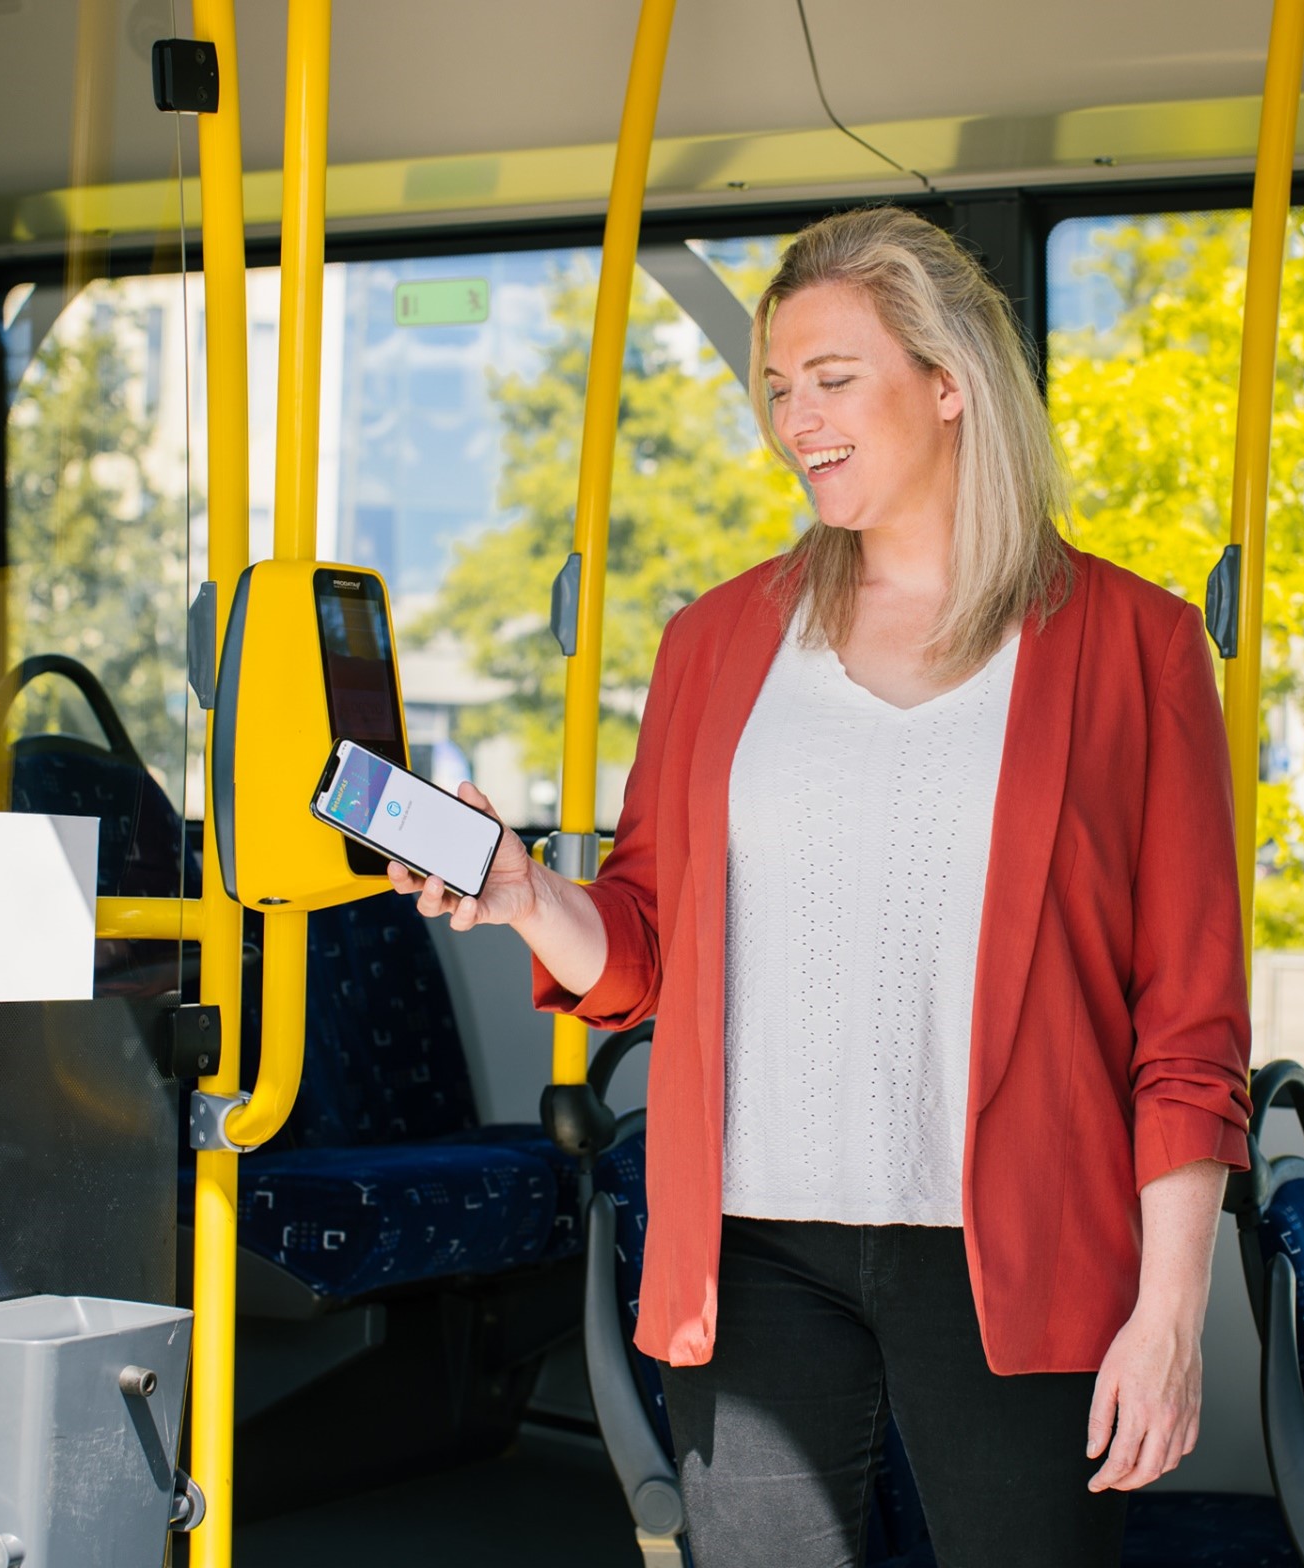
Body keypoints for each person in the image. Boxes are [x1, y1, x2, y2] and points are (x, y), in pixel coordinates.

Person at [391, 205, 1251, 1568]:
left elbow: (1189, 1028)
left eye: (834, 380)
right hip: (751, 1252)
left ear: (951, 383)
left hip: (1013, 1254)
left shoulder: (1130, 649)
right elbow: (644, 949)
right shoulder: (716, 641)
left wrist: (1170, 1313)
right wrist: (516, 890)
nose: (798, 421)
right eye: (779, 391)